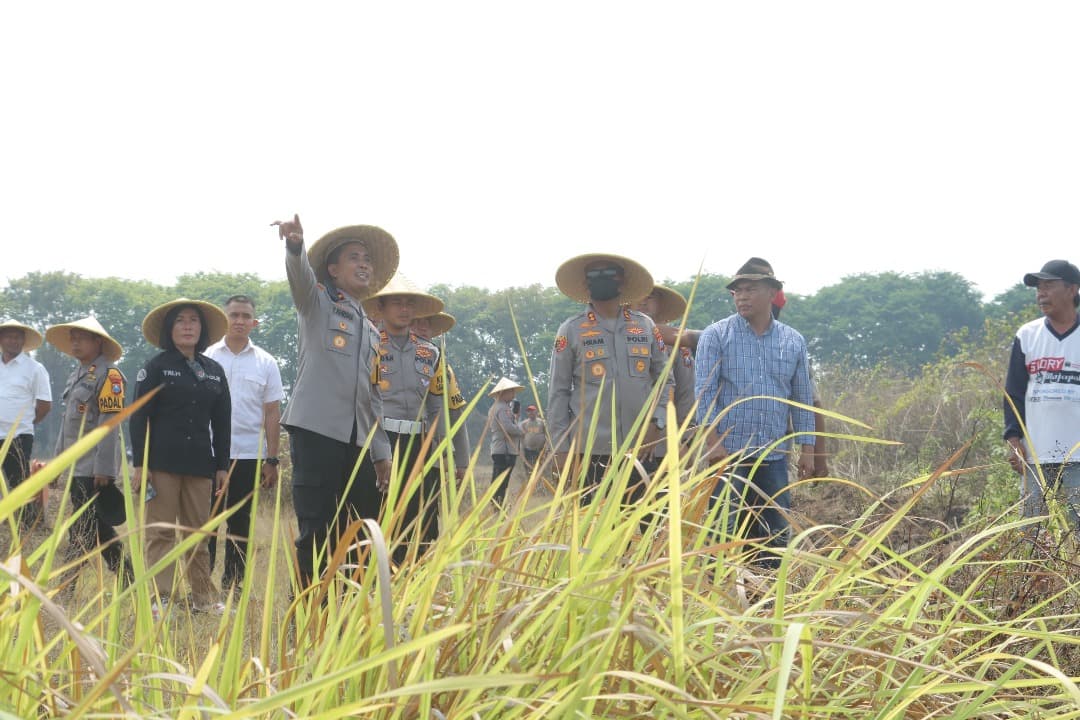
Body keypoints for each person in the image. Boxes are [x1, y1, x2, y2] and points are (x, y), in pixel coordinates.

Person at [271, 214, 395, 588]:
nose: (364, 264)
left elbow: (373, 398)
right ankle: (309, 615)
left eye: (367, 260)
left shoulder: (373, 331)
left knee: (358, 530)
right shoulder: (318, 303)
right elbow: (300, 279)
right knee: (316, 527)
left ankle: (349, 614)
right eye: (355, 257)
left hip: (358, 443)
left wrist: (381, 451)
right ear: (333, 269)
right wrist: (295, 248)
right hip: (316, 432)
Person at [695, 257, 816, 569]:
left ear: (772, 293)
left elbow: (802, 396)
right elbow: (704, 393)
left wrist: (808, 449)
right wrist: (713, 443)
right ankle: (718, 596)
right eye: (737, 291)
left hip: (774, 455)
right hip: (729, 455)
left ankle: (765, 602)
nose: (742, 296)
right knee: (723, 530)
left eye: (750, 289)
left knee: (774, 534)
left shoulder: (793, 341)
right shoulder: (716, 335)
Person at [657, 288, 830, 478]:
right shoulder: (719, 336)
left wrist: (816, 455)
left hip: (774, 449)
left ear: (769, 301)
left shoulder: (791, 345)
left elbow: (809, 404)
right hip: (729, 449)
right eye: (738, 292)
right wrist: (637, 326)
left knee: (770, 502)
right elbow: (679, 336)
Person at [130, 298, 231, 616]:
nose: (188, 326)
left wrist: (222, 466)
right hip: (160, 464)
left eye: (193, 321)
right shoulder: (155, 367)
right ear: (169, 329)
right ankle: (161, 599)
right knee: (159, 532)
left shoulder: (214, 371)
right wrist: (139, 465)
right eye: (180, 321)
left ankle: (203, 598)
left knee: (199, 534)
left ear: (202, 330)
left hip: (201, 465)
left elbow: (223, 422)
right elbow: (138, 418)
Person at [546, 253, 672, 504]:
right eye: (594, 276)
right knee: (594, 532)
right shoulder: (571, 330)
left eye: (608, 274)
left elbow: (666, 380)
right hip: (591, 453)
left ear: (622, 281)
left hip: (643, 449)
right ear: (585, 284)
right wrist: (560, 448)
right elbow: (558, 393)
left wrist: (657, 423)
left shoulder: (646, 327)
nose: (601, 280)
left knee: (644, 532)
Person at [363, 274, 454, 562]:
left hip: (419, 442)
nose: (404, 309)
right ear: (381, 308)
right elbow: (364, 401)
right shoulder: (369, 346)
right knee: (377, 513)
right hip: (381, 440)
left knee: (420, 514)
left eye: (409, 304)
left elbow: (437, 406)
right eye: (397, 303)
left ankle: (415, 581)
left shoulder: (430, 352)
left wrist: (442, 450)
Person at [45, 316, 133, 589]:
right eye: (72, 337)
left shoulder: (111, 375)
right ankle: (129, 578)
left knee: (81, 528)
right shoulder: (77, 374)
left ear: (98, 342)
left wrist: (104, 468)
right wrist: (56, 466)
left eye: (81, 338)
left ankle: (64, 589)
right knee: (96, 527)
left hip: (93, 469)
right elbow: (67, 427)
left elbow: (110, 423)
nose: (75, 343)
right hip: (75, 465)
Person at [205, 295, 284, 594]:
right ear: (223, 319)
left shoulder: (267, 363)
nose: (239, 321)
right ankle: (202, 588)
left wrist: (272, 459)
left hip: (249, 455)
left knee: (241, 524)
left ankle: (234, 587)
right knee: (207, 524)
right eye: (234, 315)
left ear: (255, 322)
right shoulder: (208, 356)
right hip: (210, 454)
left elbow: (272, 413)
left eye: (245, 316)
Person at [1004, 259, 1080, 524]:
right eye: (1038, 287)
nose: (1041, 293)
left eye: (1049, 286)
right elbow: (1013, 392)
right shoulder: (1027, 335)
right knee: (1031, 532)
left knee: (1077, 530)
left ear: (1072, 290)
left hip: (1078, 456)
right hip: (1036, 453)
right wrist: (1013, 439)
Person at [0, 320, 52, 530]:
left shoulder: (34, 369)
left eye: (17, 336)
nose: (13, 340)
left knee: (17, 483)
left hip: (19, 435)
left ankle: (28, 527)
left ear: (23, 340)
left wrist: (27, 423)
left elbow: (45, 405)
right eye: (8, 336)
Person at [410, 311, 471, 482]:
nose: (422, 327)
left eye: (427, 322)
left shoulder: (444, 368)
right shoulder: (382, 355)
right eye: (416, 321)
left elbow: (455, 414)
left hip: (431, 453)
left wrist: (462, 462)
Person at [634, 284, 696, 438]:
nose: (643, 301)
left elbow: (686, 394)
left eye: (650, 297)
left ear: (661, 303)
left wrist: (685, 438)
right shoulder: (613, 339)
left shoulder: (678, 345)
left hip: (662, 439)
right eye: (638, 296)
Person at [487, 377, 524, 506]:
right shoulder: (503, 408)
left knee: (498, 479)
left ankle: (496, 505)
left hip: (499, 447)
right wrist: (521, 431)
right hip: (505, 449)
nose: (513, 394)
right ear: (503, 393)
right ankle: (498, 505)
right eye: (511, 391)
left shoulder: (495, 407)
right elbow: (508, 427)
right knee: (502, 481)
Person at [518, 405, 547, 475]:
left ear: (536, 412)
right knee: (528, 466)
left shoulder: (542, 422)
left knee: (540, 465)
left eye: (532, 411)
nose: (531, 413)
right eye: (529, 411)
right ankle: (529, 480)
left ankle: (541, 480)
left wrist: (547, 446)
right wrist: (522, 448)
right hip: (528, 449)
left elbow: (547, 434)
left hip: (540, 449)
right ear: (527, 413)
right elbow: (521, 436)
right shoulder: (524, 423)